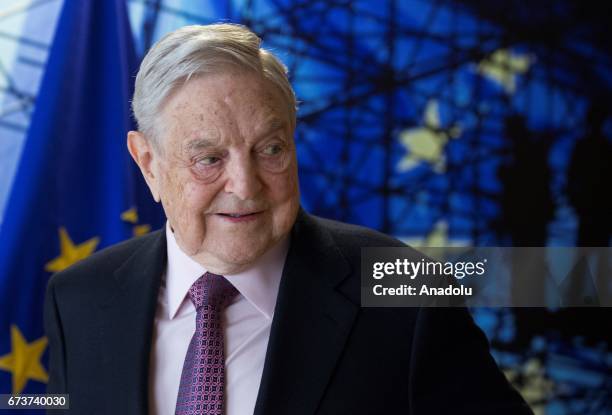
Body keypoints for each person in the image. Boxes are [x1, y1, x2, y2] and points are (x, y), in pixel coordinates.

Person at [44, 23, 533, 415]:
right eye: (209, 158)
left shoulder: (410, 292)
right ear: (148, 163)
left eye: (270, 149)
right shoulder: (80, 298)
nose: (245, 185)